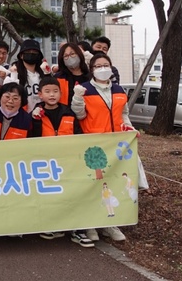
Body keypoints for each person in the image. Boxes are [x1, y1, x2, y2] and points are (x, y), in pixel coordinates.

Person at [71, 52, 137, 243]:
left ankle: (109, 224)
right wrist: (77, 98)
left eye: (105, 65)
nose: (102, 69)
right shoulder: (84, 89)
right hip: (93, 144)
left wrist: (129, 128)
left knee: (112, 184)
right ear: (91, 70)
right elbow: (79, 115)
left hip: (116, 146)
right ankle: (91, 225)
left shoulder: (118, 90)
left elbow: (124, 114)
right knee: (93, 185)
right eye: (98, 66)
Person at [29, 77, 89, 247]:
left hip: (68, 162)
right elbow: (31, 137)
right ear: (40, 95)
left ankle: (77, 230)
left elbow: (78, 134)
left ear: (61, 94)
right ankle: (52, 225)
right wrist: (34, 118)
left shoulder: (69, 112)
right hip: (45, 163)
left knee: (73, 194)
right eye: (47, 91)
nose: (52, 95)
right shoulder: (36, 114)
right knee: (50, 195)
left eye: (55, 91)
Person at [11, 39, 50, 112]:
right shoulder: (14, 73)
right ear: (21, 55)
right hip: (22, 116)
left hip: (43, 116)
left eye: (35, 52)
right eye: (28, 52)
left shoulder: (44, 74)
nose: (31, 54)